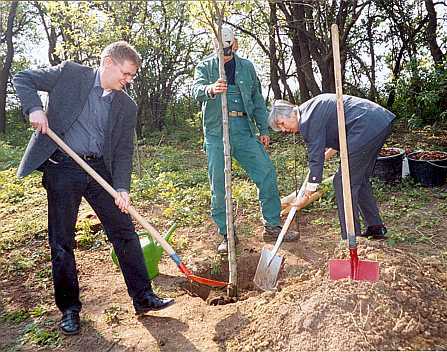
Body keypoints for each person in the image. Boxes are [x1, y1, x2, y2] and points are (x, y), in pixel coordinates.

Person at [13, 41, 174, 336]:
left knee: (124, 231)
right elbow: (22, 78)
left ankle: (143, 297)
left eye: (132, 76)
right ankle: (70, 310)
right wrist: (34, 108)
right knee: (61, 241)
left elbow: (124, 150)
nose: (129, 80)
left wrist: (122, 188)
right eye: (126, 74)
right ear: (109, 62)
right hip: (63, 164)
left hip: (100, 169)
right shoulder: (70, 73)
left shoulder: (127, 105)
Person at [191, 26, 298, 253]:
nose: (226, 52)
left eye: (229, 48)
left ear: (235, 44)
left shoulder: (247, 68)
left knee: (266, 172)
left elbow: (257, 100)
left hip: (243, 129)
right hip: (216, 132)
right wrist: (210, 89)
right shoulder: (205, 66)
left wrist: (263, 129)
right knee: (219, 186)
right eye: (222, 49)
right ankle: (227, 235)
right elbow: (195, 90)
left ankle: (271, 225)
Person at [268, 94, 395, 241]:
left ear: (290, 113)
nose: (284, 130)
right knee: (358, 179)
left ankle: (351, 238)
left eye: (282, 124)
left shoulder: (308, 120)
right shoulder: (310, 110)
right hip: (377, 122)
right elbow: (338, 131)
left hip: (365, 126)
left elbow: (315, 157)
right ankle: (375, 228)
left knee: (342, 182)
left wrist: (307, 193)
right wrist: (324, 155)